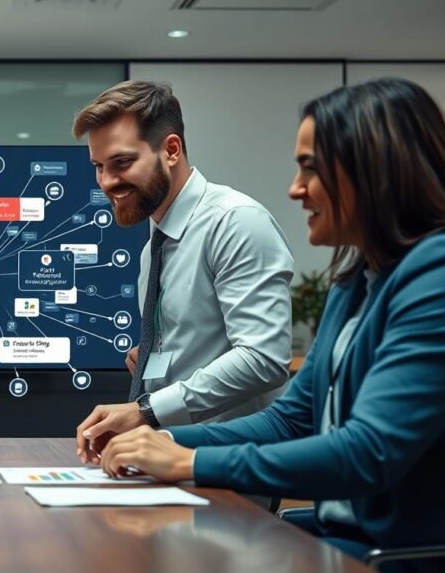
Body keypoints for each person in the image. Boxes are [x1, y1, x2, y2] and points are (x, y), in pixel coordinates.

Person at [95, 78, 445, 566]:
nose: (295, 189)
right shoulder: (355, 281)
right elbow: (291, 419)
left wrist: (189, 459)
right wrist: (159, 440)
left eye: (310, 170)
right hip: (337, 539)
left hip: (399, 556)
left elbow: (368, 451)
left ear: (377, 172)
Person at [71, 80, 294, 462]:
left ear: (171, 150)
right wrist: (155, 357)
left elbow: (263, 358)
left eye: (122, 162)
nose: (107, 182)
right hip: (165, 464)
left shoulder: (236, 222)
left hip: (228, 470)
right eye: (99, 167)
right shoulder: (153, 248)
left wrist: (146, 410)